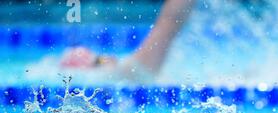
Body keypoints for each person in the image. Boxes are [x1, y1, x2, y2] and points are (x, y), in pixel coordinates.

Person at [60, 0, 196, 77]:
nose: (110, 57)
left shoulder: (125, 71)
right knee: (169, 21)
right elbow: (172, 17)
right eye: (99, 60)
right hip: (138, 70)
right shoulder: (133, 72)